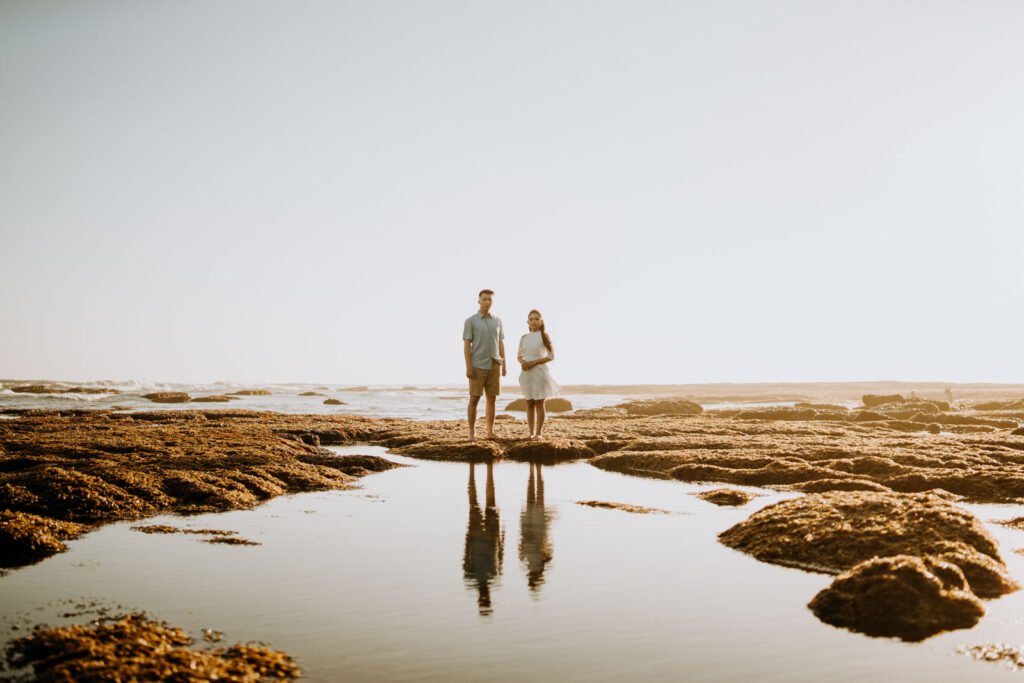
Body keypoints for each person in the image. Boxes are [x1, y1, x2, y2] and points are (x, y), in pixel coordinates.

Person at [463, 289, 506, 441]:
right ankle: (472, 433)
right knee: (474, 399)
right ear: (479, 300)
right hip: (477, 365)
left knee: (492, 399)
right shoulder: (471, 321)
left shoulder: (497, 321)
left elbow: (500, 343)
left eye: (490, 299)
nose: (487, 302)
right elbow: (467, 344)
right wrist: (468, 366)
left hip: (494, 364)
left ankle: (490, 432)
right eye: (485, 299)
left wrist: (504, 364)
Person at [517, 309, 561, 439]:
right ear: (527, 322)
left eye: (536, 319)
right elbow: (519, 355)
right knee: (529, 402)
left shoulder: (544, 335)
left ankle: (538, 433)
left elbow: (551, 356)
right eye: (531, 319)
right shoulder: (524, 337)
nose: (534, 321)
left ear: (541, 321)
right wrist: (523, 362)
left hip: (539, 372)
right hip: (526, 372)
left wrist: (534, 362)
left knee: (539, 402)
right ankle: (530, 433)